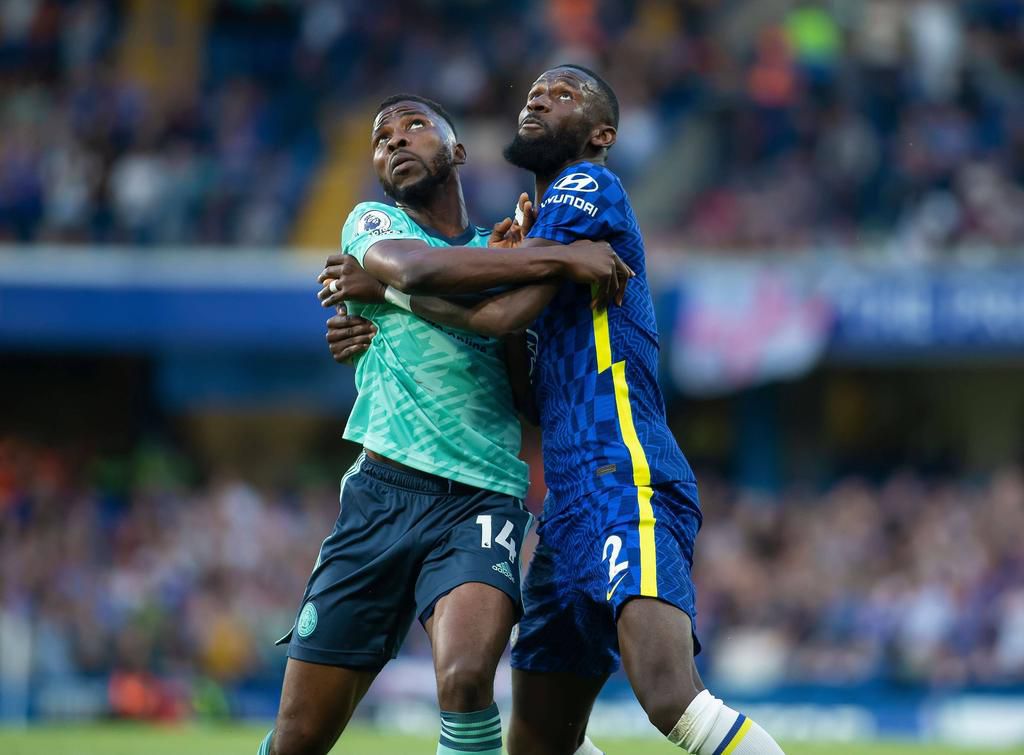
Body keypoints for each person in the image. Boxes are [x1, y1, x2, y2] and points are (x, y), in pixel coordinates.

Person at [328, 66, 786, 755]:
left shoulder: (585, 185)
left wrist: (387, 287)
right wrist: (378, 316)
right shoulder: (533, 237)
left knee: (670, 697)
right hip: (569, 501)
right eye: (535, 91)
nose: (540, 97)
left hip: (622, 466)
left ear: (603, 134)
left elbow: (502, 311)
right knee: (539, 740)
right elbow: (519, 380)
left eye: (564, 93)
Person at [258, 93, 628, 755]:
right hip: (378, 498)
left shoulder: (496, 250)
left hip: (479, 499)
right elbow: (415, 268)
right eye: (382, 137)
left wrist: (526, 269)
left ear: (457, 152)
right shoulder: (372, 225)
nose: (395, 141)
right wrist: (556, 257)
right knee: (297, 738)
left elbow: (524, 390)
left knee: (464, 677)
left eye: (414, 126)